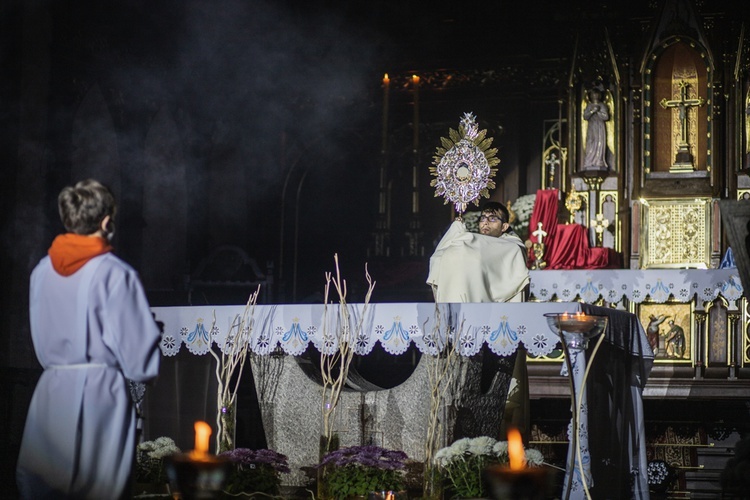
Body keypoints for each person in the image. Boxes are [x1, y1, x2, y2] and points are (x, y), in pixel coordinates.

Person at [16, 179, 162, 499]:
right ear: (106, 221)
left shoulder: (41, 271)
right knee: (99, 489)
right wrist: (151, 335)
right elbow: (139, 362)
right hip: (100, 396)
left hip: (51, 392)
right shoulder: (114, 272)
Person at [427, 201, 529, 302]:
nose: (485, 222)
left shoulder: (513, 245)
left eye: (493, 219)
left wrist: (463, 238)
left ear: (504, 226)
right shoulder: (473, 244)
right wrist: (456, 229)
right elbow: (439, 255)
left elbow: (512, 251)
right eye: (483, 218)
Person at [582, 88, 610, 171]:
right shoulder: (589, 105)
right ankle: (589, 161)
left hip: (599, 127)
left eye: (597, 94)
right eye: (593, 94)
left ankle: (599, 160)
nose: (595, 96)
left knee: (599, 142)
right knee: (590, 141)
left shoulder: (602, 105)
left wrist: (598, 112)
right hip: (591, 126)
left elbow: (606, 117)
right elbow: (585, 116)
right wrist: (592, 111)